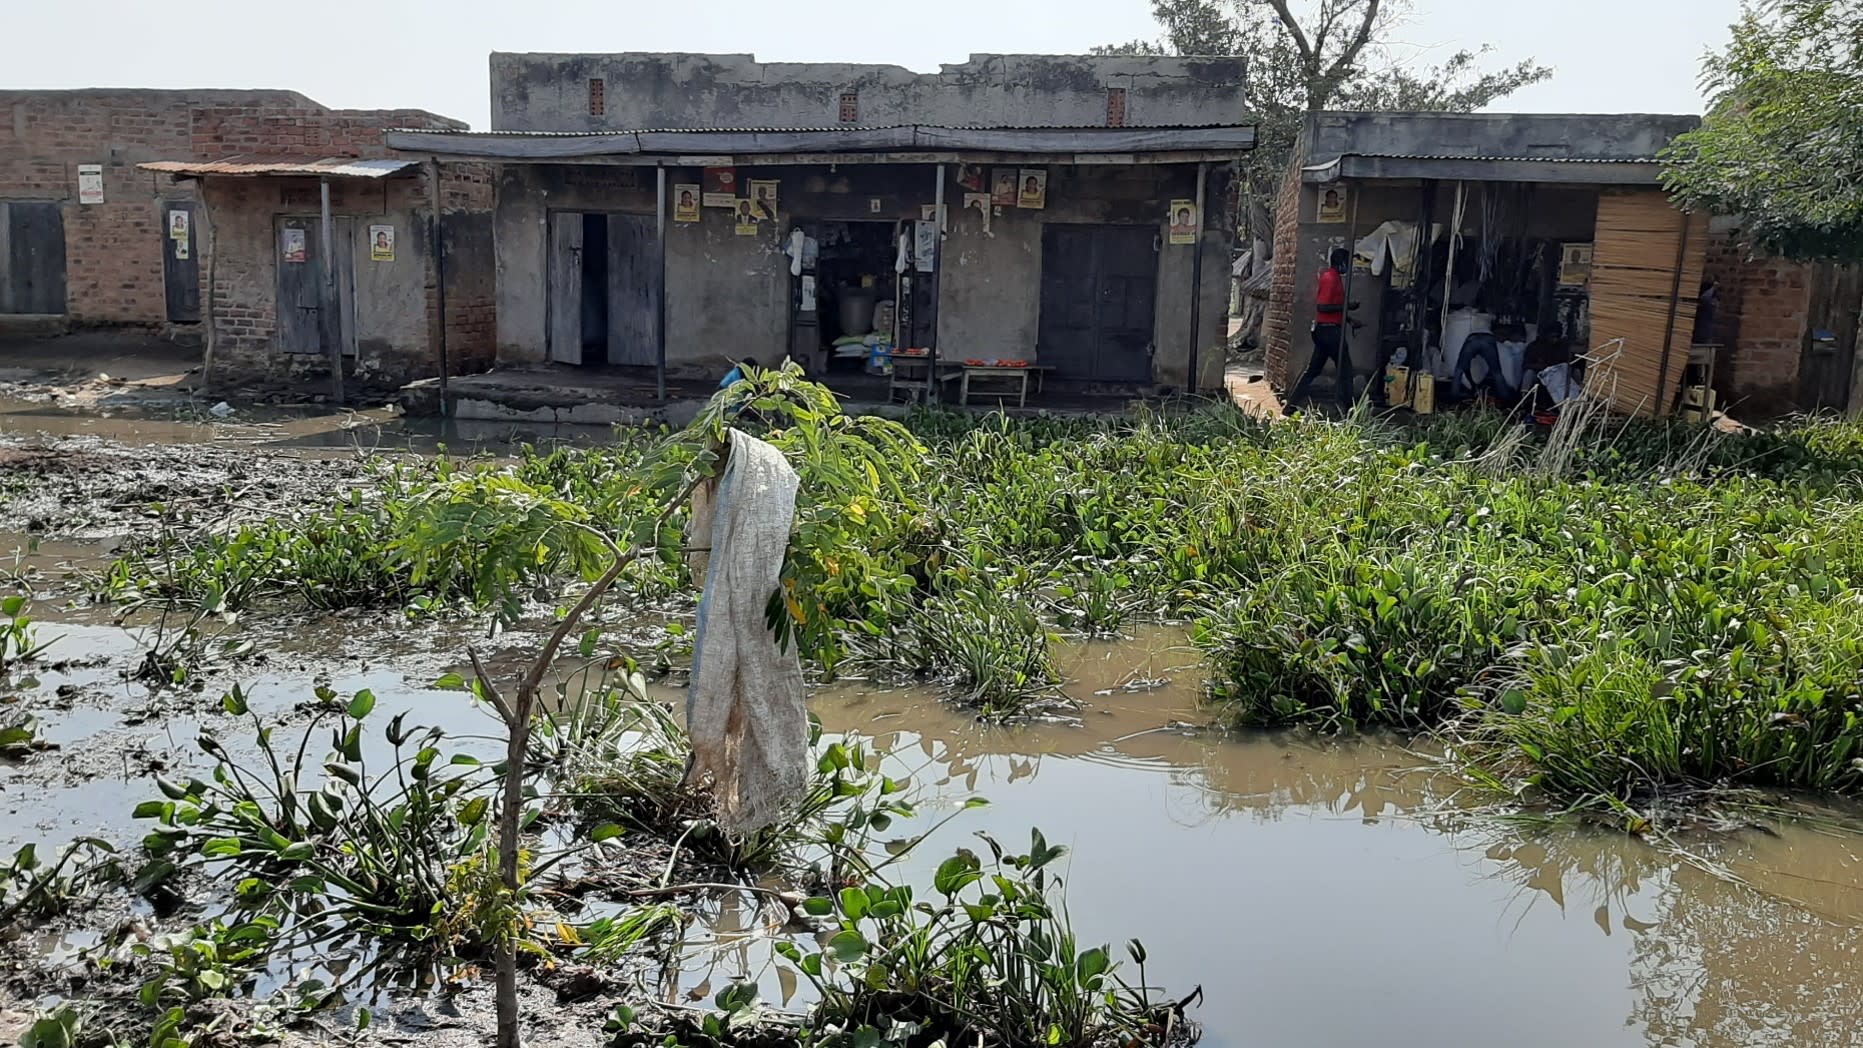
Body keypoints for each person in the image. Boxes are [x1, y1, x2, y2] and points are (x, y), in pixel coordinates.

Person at [1286, 248, 1357, 411]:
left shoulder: (1334, 277)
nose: (1349, 267)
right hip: (1329, 332)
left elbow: (1334, 307)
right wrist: (1348, 306)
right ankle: (1350, 409)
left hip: (1326, 330)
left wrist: (1350, 320)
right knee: (1345, 370)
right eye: (1348, 263)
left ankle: (1290, 406)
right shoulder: (1331, 278)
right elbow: (1323, 307)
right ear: (1341, 263)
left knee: (1313, 370)